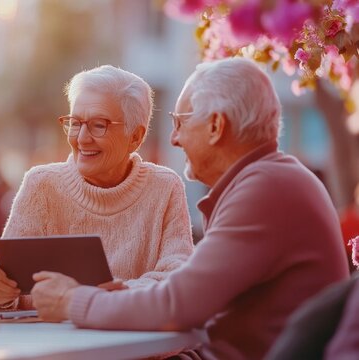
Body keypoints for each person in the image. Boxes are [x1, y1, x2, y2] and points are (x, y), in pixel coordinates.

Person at [30, 58, 350, 359]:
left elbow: (177, 304)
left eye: (180, 122)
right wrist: (113, 296)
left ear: (215, 126)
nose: (173, 139)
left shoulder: (268, 188)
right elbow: (185, 293)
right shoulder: (271, 179)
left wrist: (72, 301)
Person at [0, 65, 194, 309]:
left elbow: (177, 283)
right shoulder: (41, 185)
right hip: (53, 344)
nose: (81, 138)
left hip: (135, 345)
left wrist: (87, 299)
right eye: (75, 122)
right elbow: (11, 290)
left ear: (135, 136)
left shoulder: (164, 187)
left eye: (98, 125)